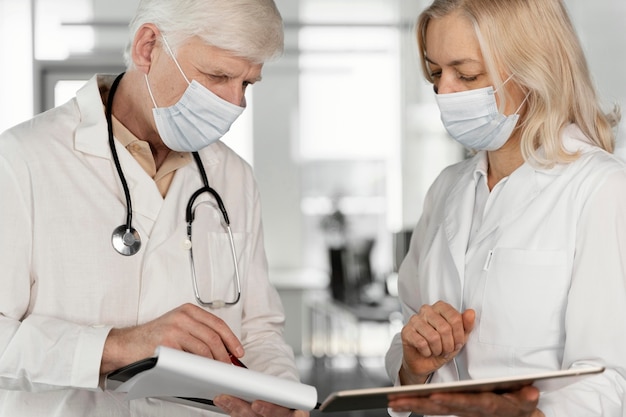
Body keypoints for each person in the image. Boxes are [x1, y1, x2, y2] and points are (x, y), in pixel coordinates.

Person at [0, 1, 309, 417]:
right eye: (218, 76)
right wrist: (118, 346)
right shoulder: (22, 160)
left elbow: (257, 331)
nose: (235, 103)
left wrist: (279, 394)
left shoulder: (232, 176)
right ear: (148, 47)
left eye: (247, 84)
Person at [385, 0, 626, 416]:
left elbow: (605, 377)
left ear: (534, 70)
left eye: (467, 74)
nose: (445, 91)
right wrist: (413, 366)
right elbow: (405, 336)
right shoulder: (446, 189)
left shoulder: (599, 188)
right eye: (436, 73)